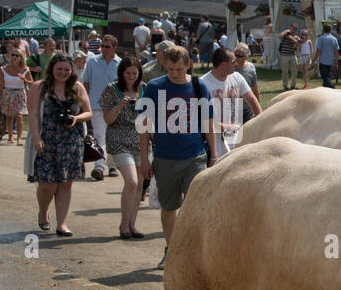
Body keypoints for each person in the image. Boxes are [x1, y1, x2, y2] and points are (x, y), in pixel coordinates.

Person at [139, 45, 216, 270]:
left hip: (195, 155)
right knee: (170, 207)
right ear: (165, 65)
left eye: (179, 70)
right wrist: (144, 158)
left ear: (188, 65)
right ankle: (171, 250)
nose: (174, 74)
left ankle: (195, 252)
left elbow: (208, 122)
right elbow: (144, 125)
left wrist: (214, 154)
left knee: (196, 205)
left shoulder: (198, 86)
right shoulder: (154, 87)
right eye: (171, 69)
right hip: (165, 157)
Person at [28, 52, 92, 237]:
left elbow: (88, 113)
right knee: (48, 184)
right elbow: (32, 114)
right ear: (52, 69)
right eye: (59, 69)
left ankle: (62, 223)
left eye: (66, 69)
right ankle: (43, 211)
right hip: (46, 140)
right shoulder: (39, 87)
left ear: (72, 70)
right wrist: (35, 138)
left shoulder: (77, 87)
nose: (63, 72)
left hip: (71, 141)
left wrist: (75, 118)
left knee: (65, 183)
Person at [100, 55, 147, 239]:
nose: (131, 76)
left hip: (140, 139)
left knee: (140, 185)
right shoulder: (111, 89)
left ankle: (132, 224)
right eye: (128, 73)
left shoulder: (144, 88)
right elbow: (108, 119)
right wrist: (120, 105)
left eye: (134, 73)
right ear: (121, 72)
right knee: (132, 182)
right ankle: (123, 225)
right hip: (118, 138)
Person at [199, 46, 260, 160]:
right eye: (233, 61)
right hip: (214, 140)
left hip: (235, 136)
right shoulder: (203, 84)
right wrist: (225, 127)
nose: (236, 63)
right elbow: (201, 118)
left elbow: (252, 100)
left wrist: (260, 121)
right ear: (223, 65)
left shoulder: (237, 77)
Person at [81, 34, 121, 180]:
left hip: (115, 107)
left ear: (114, 48)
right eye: (102, 46)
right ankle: (99, 167)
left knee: (112, 137)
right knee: (99, 136)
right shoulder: (92, 62)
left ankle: (112, 165)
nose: (103, 49)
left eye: (107, 47)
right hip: (97, 106)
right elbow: (85, 83)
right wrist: (83, 103)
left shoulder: (120, 64)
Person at [0, 48, 33, 144]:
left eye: (17, 55)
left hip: (19, 94)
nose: (14, 57)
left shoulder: (25, 70)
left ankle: (19, 138)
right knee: (9, 116)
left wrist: (24, 79)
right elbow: (0, 85)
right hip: (7, 94)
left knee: (19, 116)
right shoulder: (3, 69)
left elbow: (32, 83)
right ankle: (10, 136)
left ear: (21, 58)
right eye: (12, 55)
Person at [232, 44, 261, 125]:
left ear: (245, 57)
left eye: (239, 56)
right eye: (235, 55)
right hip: (232, 108)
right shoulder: (229, 69)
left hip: (246, 108)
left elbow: (255, 90)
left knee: (247, 134)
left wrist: (257, 107)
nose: (236, 58)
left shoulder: (250, 71)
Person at [313, 24, 341, 89]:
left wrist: (314, 60)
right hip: (331, 61)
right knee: (327, 76)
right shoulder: (334, 39)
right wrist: (336, 62)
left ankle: (332, 87)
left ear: (324, 30)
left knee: (325, 77)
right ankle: (325, 90)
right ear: (331, 30)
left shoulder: (321, 38)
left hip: (323, 61)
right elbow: (336, 52)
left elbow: (318, 51)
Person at [278, 26, 302, 90]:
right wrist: (286, 31)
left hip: (293, 55)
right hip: (284, 55)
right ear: (290, 28)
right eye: (293, 28)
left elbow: (297, 45)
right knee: (284, 72)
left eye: (295, 28)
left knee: (294, 71)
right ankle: (285, 86)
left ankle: (293, 86)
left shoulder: (296, 37)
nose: (294, 29)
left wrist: (296, 41)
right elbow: (279, 36)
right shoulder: (285, 35)